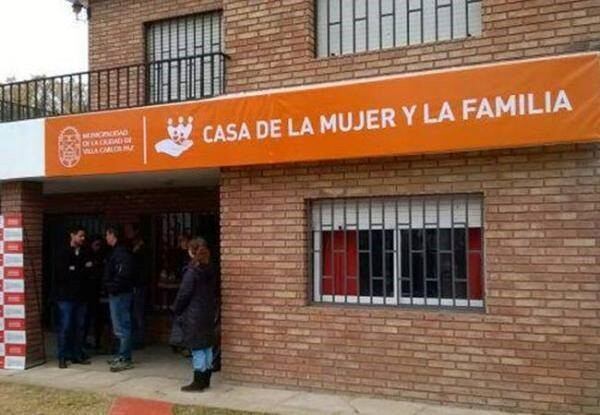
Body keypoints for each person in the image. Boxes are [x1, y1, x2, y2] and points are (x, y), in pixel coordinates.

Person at [172, 237, 217, 392]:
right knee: (207, 346)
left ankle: (198, 381)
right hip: (208, 312)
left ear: (191, 251)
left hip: (194, 314)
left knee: (197, 348)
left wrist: (176, 309)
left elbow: (184, 294)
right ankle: (206, 379)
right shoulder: (210, 269)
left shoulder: (192, 271)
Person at [54, 226, 92, 369]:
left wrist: (76, 269)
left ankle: (77, 355)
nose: (83, 239)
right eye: (80, 236)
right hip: (65, 297)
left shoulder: (84, 252)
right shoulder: (63, 252)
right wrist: (80, 269)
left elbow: (90, 270)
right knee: (65, 326)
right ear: (72, 235)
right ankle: (62, 357)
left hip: (81, 297)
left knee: (80, 327)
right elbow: (63, 274)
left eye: (84, 236)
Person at [104, 225, 136, 372]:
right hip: (119, 292)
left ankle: (125, 358)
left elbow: (122, 274)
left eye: (107, 235)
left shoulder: (121, 253)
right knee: (120, 326)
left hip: (120, 294)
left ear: (112, 234)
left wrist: (112, 287)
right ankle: (122, 355)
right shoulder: (117, 251)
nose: (106, 238)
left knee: (122, 326)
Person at [125, 223, 149, 350]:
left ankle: (139, 339)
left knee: (138, 313)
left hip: (139, 285)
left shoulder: (141, 249)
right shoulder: (131, 247)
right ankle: (136, 338)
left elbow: (140, 268)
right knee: (134, 314)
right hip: (135, 285)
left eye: (129, 230)